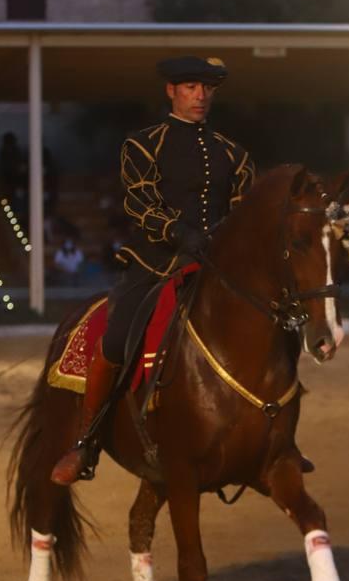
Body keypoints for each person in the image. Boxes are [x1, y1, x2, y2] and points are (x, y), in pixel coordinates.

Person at [51, 55, 255, 487]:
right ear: (171, 91)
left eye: (207, 89)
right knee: (118, 335)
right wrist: (180, 233)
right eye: (191, 87)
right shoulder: (143, 145)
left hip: (217, 267)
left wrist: (226, 240)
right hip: (155, 263)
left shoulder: (234, 154)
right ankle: (86, 441)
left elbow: (243, 211)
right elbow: (139, 206)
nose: (200, 96)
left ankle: (276, 434)